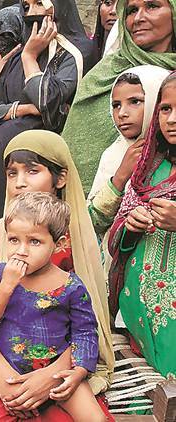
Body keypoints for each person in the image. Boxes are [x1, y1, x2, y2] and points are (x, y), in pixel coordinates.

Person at [0, 130, 115, 421]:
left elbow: (85, 326)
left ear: (60, 178)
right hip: (4, 367)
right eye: (12, 173)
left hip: (63, 366)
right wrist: (5, 377)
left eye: (32, 171)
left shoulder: (77, 240)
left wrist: (51, 374)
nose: (20, 182)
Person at [0, 192, 107, 422]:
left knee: (96, 418)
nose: (21, 250)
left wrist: (79, 372)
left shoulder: (71, 286)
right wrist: (6, 286)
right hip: (7, 364)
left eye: (34, 241)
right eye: (14, 240)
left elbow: (85, 333)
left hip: (54, 370)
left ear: (59, 244)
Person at [0, 0, 93, 229]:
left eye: (40, 3)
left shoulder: (75, 53)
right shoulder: (16, 55)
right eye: (26, 6)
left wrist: (30, 58)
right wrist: (23, 109)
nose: (32, 12)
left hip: (44, 175)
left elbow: (47, 104)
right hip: (4, 174)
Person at [63, 0, 176, 192]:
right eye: (132, 10)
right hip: (98, 205)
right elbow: (80, 152)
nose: (138, 18)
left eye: (152, 6)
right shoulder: (104, 76)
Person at [108, 72, 176, 378]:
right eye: (165, 109)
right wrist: (129, 226)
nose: (172, 119)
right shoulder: (146, 169)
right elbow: (115, 237)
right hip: (140, 310)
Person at [89, 66, 170, 199]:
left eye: (135, 102)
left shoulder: (170, 154)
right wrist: (120, 177)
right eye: (116, 105)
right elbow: (90, 217)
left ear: (156, 102)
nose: (121, 113)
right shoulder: (112, 155)